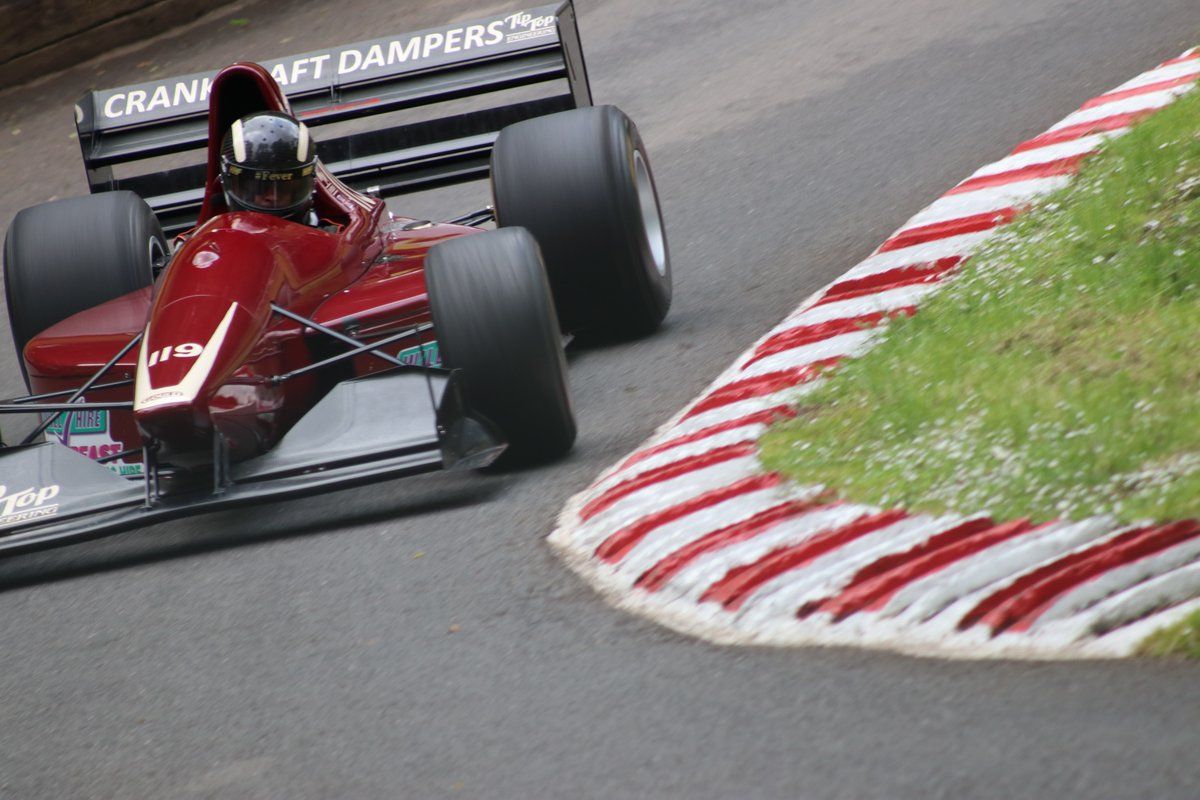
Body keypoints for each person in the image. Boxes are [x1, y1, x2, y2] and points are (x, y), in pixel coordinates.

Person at [218, 111, 318, 224]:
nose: (273, 197)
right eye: (259, 188)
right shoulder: (207, 239)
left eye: (283, 188)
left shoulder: (332, 235)